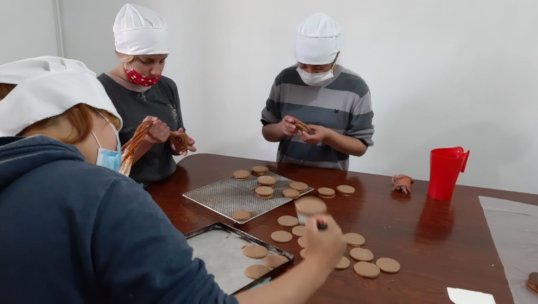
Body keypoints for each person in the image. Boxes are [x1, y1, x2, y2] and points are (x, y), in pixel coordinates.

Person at [0, 56, 346, 303]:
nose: (117, 139)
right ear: (90, 117)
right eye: (114, 124)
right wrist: (320, 262)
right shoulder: (101, 194)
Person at [261, 13, 375, 170]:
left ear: (336, 57)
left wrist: (328, 137)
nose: (309, 72)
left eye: (319, 68)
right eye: (303, 65)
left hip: (331, 181)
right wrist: (281, 128)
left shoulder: (356, 88)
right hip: (286, 176)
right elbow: (267, 132)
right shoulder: (285, 80)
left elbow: (361, 146)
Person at [98, 3, 195, 185]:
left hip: (170, 184)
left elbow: (173, 138)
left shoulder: (167, 86)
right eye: (147, 61)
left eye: (162, 60)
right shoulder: (100, 93)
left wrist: (176, 143)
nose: (156, 71)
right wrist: (145, 141)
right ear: (123, 55)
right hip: (129, 192)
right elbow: (103, 170)